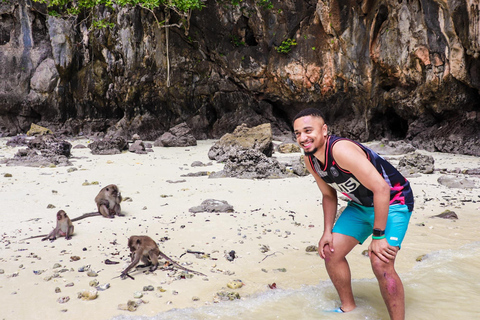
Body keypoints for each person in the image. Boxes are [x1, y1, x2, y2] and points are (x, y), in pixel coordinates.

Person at [293, 108, 414, 320]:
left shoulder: (341, 151)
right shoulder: (310, 159)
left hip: (394, 201)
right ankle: (348, 309)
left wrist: (378, 236)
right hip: (360, 205)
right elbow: (329, 195)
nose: (303, 138)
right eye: (297, 133)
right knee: (331, 251)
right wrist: (327, 232)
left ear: (324, 130)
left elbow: (382, 189)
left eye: (308, 130)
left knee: (380, 261)